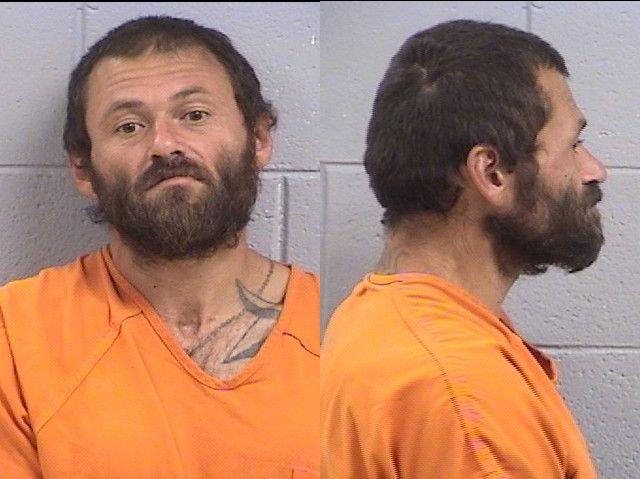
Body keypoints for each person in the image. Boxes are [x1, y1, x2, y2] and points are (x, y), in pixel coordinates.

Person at [0, 16, 319, 478]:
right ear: (83, 169)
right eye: (129, 126)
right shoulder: (18, 336)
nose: (165, 146)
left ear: (258, 139)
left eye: (194, 115)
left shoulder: (340, 329)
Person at [322, 20, 606, 478]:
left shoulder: (373, 314)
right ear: (492, 174)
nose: (594, 170)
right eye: (573, 145)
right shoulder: (466, 401)